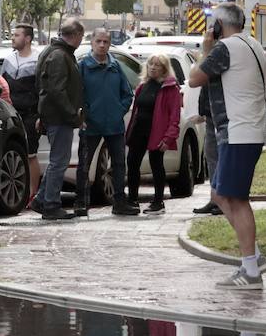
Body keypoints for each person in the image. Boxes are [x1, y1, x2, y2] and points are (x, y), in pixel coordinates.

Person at [189, 2, 266, 289]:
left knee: (236, 200)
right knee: (218, 194)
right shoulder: (251, 43)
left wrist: (206, 47)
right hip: (246, 129)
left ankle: (251, 270)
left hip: (239, 130)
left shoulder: (223, 48)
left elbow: (193, 79)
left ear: (219, 25)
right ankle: (255, 258)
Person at [77, 28, 133, 218]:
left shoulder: (116, 66)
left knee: (119, 164)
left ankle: (119, 202)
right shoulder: (83, 66)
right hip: (90, 125)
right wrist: (84, 115)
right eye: (98, 41)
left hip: (114, 125)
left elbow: (127, 94)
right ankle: (81, 203)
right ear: (92, 42)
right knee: (84, 165)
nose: (102, 45)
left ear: (110, 44)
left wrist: (119, 111)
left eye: (106, 42)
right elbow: (76, 95)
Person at [36, 17, 85, 222]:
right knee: (59, 162)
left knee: (57, 160)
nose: (82, 40)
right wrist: (72, 115)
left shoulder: (56, 52)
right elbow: (56, 90)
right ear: (74, 36)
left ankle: (42, 200)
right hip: (59, 117)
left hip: (55, 116)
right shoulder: (59, 55)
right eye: (81, 36)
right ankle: (51, 205)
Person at [124, 52, 183, 216]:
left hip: (157, 131)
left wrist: (169, 136)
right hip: (139, 130)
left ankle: (158, 202)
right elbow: (136, 109)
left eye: (157, 65)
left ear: (164, 69)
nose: (153, 67)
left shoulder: (170, 88)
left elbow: (174, 116)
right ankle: (132, 200)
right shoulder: (143, 86)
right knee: (132, 162)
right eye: (151, 64)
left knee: (156, 164)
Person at [2, 24, 43, 207]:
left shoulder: (38, 59)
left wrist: (40, 116)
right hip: (11, 114)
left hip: (30, 115)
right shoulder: (9, 60)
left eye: (17, 35)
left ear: (27, 38)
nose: (13, 38)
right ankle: (20, 192)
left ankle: (34, 193)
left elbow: (43, 90)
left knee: (31, 155)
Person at [192, 31, 223, 216]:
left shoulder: (220, 52)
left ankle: (222, 200)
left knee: (220, 158)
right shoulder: (213, 52)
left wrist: (206, 51)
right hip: (210, 113)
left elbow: (195, 78)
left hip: (222, 115)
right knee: (211, 157)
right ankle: (215, 198)